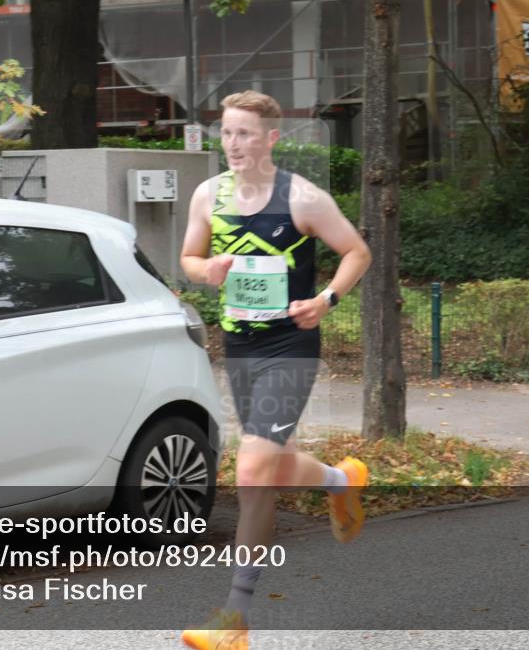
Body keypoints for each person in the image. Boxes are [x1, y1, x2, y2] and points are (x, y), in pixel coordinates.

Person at [179, 91, 372, 650]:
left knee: (250, 470)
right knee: (260, 480)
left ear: (270, 139)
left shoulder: (304, 198)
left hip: (291, 346)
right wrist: (207, 268)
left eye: (244, 134)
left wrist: (326, 301)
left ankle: (232, 617)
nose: (232, 144)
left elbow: (356, 251)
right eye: (227, 133)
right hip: (239, 347)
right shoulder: (207, 195)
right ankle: (341, 481)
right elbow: (190, 259)